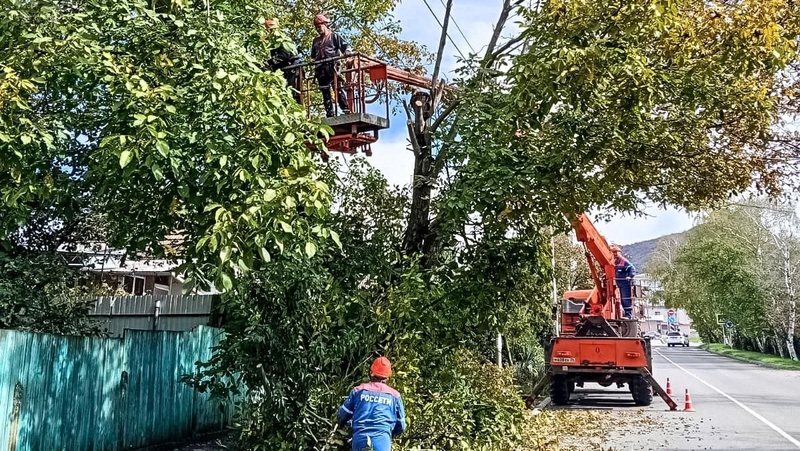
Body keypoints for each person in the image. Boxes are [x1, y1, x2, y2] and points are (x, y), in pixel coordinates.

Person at [338, 356, 406, 451]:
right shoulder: (395, 396)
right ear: (388, 376)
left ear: (371, 372)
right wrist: (390, 433)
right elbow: (401, 425)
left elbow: (342, 415)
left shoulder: (358, 391)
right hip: (382, 442)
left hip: (360, 440)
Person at [311, 14, 351, 117]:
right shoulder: (316, 41)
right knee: (325, 91)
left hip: (332, 66)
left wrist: (347, 52)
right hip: (320, 69)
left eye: (319, 27)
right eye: (316, 28)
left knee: (337, 88)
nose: (318, 29)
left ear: (325, 24)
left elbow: (345, 46)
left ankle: (346, 109)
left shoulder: (334, 37)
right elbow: (313, 55)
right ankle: (330, 113)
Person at [263, 18, 301, 103]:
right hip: (285, 69)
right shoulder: (275, 41)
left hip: (291, 69)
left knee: (290, 91)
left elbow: (284, 55)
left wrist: (270, 62)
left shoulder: (281, 40)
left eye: (268, 31)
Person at [611, 244, 637, 319]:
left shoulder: (624, 261)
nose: (615, 254)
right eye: (613, 253)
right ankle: (625, 314)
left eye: (616, 252)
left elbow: (632, 268)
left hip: (626, 283)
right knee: (622, 299)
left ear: (620, 252)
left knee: (626, 298)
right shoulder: (615, 262)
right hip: (619, 284)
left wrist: (630, 276)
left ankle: (629, 315)